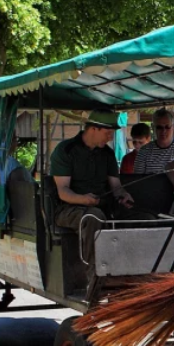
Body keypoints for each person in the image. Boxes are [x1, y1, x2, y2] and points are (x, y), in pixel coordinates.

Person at [49, 110, 135, 270]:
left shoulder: (108, 154)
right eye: (108, 133)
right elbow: (63, 191)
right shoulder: (65, 150)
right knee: (94, 217)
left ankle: (132, 270)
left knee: (140, 216)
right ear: (93, 129)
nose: (110, 137)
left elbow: (116, 186)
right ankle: (95, 274)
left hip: (102, 205)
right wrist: (84, 199)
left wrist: (123, 195)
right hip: (69, 208)